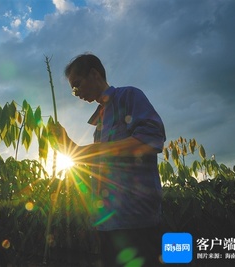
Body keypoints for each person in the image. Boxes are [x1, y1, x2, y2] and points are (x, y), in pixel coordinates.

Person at [49, 54, 166, 266]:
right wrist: (68, 146)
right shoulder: (99, 121)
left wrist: (84, 150)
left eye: (77, 85)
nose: (76, 93)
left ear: (94, 74)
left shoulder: (129, 96)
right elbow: (100, 160)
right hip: (108, 224)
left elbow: (150, 139)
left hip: (137, 221)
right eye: (72, 90)